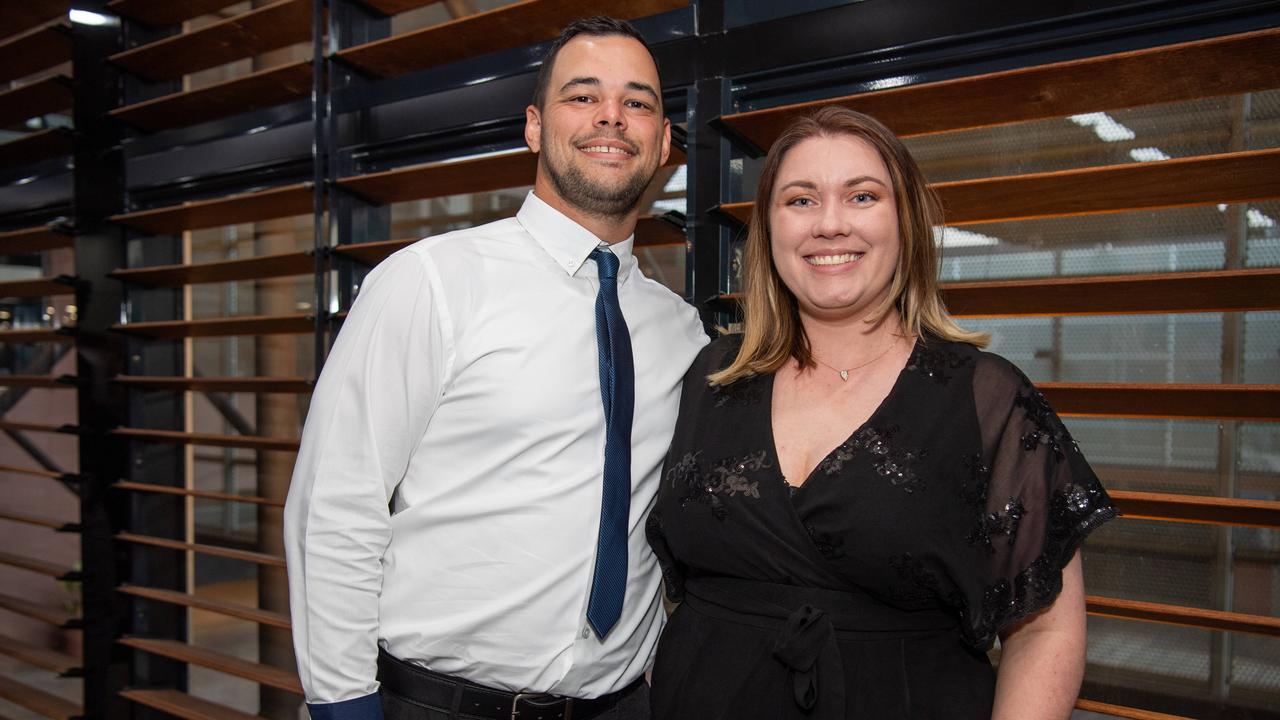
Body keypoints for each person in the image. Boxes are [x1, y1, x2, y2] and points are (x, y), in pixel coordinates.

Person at [284, 17, 707, 720]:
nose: (611, 115)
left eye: (638, 101)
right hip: (435, 706)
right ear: (534, 127)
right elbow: (335, 505)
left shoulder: (681, 331)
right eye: (583, 96)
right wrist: (342, 704)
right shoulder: (431, 281)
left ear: (663, 141)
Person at [646, 106, 1116, 719]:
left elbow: (1045, 632)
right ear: (767, 229)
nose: (830, 224)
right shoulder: (709, 377)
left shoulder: (987, 399)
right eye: (800, 200)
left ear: (907, 222)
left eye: (862, 196)